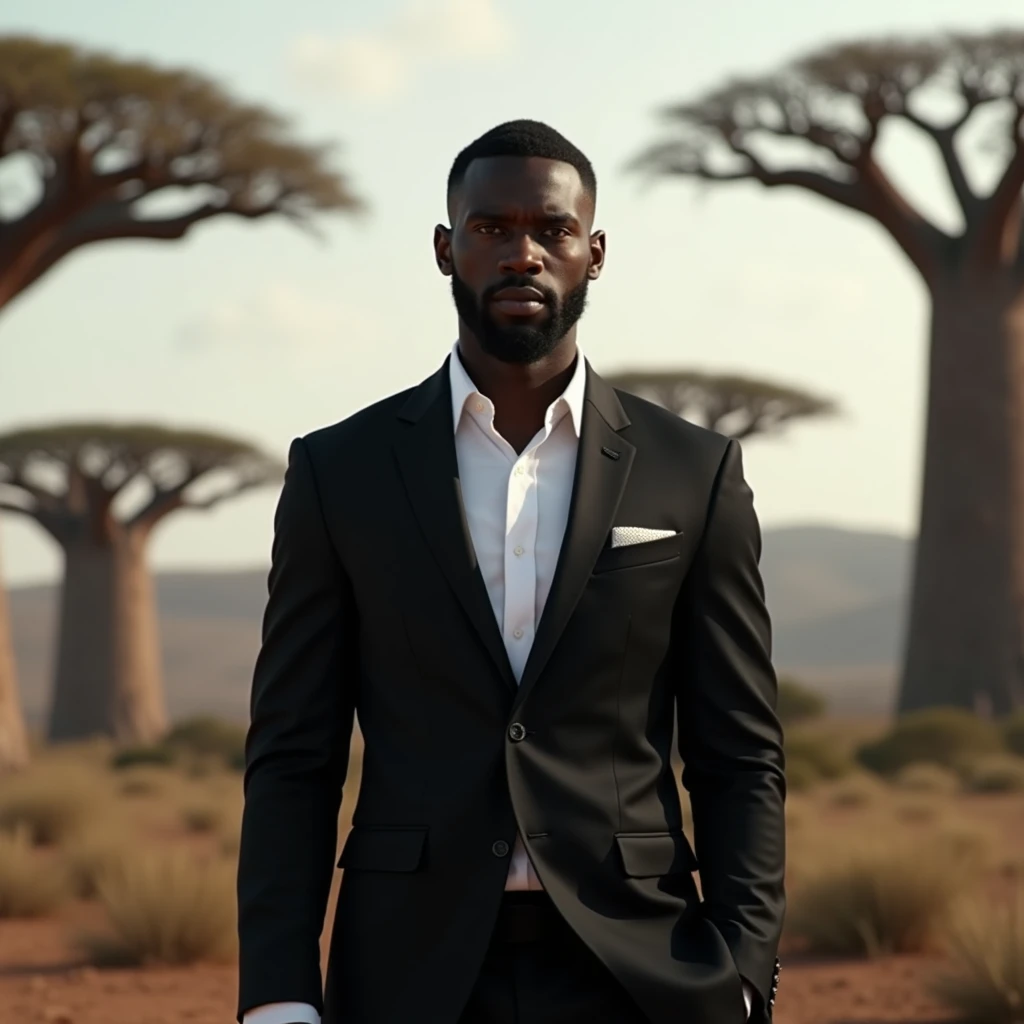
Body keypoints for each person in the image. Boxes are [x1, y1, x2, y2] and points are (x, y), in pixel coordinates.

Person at [236, 119, 785, 1024]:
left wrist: (742, 969)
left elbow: (740, 754)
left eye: (552, 230)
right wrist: (279, 994)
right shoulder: (341, 471)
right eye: (491, 229)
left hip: (643, 965)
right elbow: (295, 759)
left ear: (594, 253)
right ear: (447, 250)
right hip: (407, 969)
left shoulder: (695, 469)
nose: (522, 252)